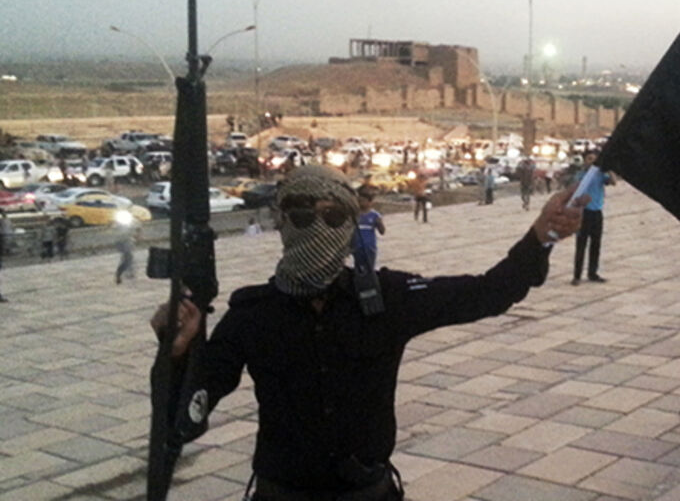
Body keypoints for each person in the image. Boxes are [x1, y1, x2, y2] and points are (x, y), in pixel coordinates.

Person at [149, 165, 585, 501]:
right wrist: (177, 355)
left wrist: (540, 236)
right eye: (301, 214)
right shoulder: (253, 314)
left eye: (333, 215)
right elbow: (187, 414)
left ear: (349, 224)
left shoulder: (386, 298)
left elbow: (488, 293)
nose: (317, 227)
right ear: (282, 221)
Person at [573, 151, 614, 285]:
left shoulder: (600, 174)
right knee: (581, 244)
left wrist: (608, 169)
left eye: (594, 159)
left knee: (596, 244)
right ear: (585, 160)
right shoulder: (580, 175)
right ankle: (577, 275)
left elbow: (613, 182)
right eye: (589, 158)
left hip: (597, 213)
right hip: (583, 213)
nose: (592, 161)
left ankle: (593, 273)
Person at [351, 192, 386, 274]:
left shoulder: (375, 215)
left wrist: (379, 223)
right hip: (357, 248)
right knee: (358, 269)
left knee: (369, 269)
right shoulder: (354, 215)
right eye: (359, 201)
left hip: (369, 248)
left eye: (363, 201)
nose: (360, 203)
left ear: (370, 202)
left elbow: (382, 231)